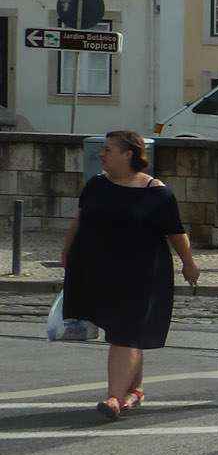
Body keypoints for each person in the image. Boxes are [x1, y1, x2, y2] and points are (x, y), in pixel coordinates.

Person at [60, 131, 202, 421]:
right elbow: (81, 220)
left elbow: (176, 232)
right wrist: (67, 252)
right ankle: (134, 390)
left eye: (108, 149)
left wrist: (189, 264)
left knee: (124, 332)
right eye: (102, 149)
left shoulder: (156, 191)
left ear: (128, 154)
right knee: (124, 330)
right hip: (103, 269)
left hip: (144, 274)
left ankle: (113, 397)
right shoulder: (96, 185)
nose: (101, 154)